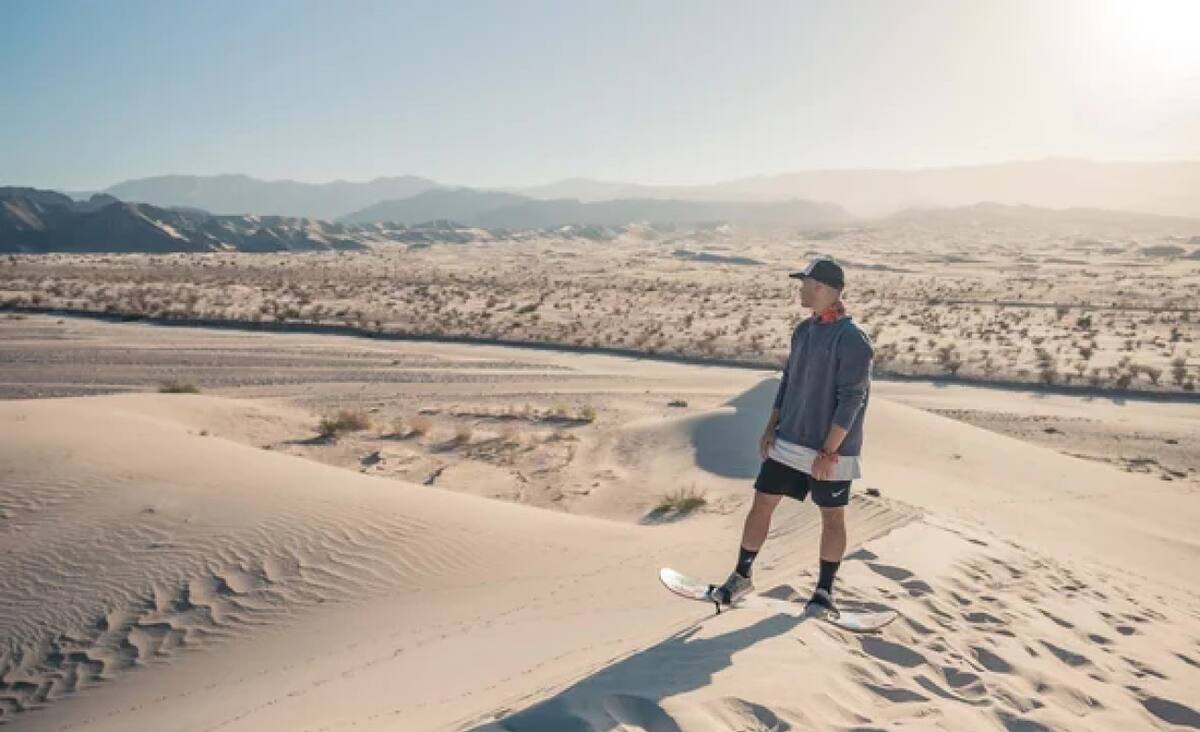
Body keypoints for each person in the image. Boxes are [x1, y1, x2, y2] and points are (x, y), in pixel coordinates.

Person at [710, 256, 874, 617]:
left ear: (824, 289)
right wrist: (771, 427)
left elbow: (852, 399)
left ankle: (824, 592)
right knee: (762, 503)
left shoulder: (853, 340)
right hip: (789, 440)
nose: (800, 289)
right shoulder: (803, 331)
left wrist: (829, 450)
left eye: (806, 284)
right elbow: (787, 383)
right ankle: (741, 575)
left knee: (832, 517)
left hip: (832, 451)